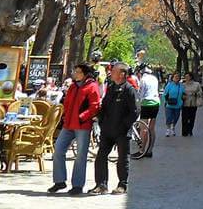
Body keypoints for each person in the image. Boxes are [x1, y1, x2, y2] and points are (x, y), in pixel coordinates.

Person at [48, 64, 101, 195]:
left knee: (80, 156)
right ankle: (59, 181)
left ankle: (77, 185)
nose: (75, 74)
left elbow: (95, 106)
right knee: (58, 151)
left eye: (78, 72)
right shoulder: (72, 86)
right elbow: (66, 103)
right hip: (69, 125)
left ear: (85, 74)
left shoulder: (92, 86)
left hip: (82, 125)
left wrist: (82, 117)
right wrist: (65, 116)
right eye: (75, 71)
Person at [90, 62, 139, 195]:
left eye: (114, 71)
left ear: (122, 74)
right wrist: (99, 119)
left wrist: (124, 126)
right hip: (107, 130)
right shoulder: (111, 87)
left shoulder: (129, 89)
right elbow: (104, 106)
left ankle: (122, 185)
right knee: (101, 156)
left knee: (122, 158)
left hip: (122, 131)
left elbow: (135, 111)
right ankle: (101, 185)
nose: (110, 73)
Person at [133, 67, 160, 158]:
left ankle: (142, 151)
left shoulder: (143, 80)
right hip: (156, 103)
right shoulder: (154, 78)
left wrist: (137, 103)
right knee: (151, 128)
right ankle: (150, 150)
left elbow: (141, 93)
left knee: (143, 128)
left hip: (146, 103)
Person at [180, 72, 203, 136]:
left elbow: (200, 93)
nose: (186, 78)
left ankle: (190, 130)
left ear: (191, 77)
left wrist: (195, 94)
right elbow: (180, 93)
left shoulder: (196, 84)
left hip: (193, 103)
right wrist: (182, 96)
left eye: (187, 76)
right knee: (184, 118)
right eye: (185, 77)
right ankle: (184, 132)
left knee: (192, 118)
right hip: (185, 103)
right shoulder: (183, 85)